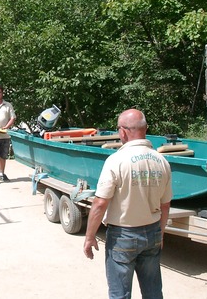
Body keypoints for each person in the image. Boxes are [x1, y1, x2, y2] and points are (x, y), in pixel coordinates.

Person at [83, 109, 172, 299]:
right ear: (145, 129)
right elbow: (165, 205)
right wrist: (161, 233)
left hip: (123, 235)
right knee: (153, 292)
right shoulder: (162, 161)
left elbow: (100, 203)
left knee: (120, 294)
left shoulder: (116, 161)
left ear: (123, 131)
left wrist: (89, 237)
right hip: (153, 231)